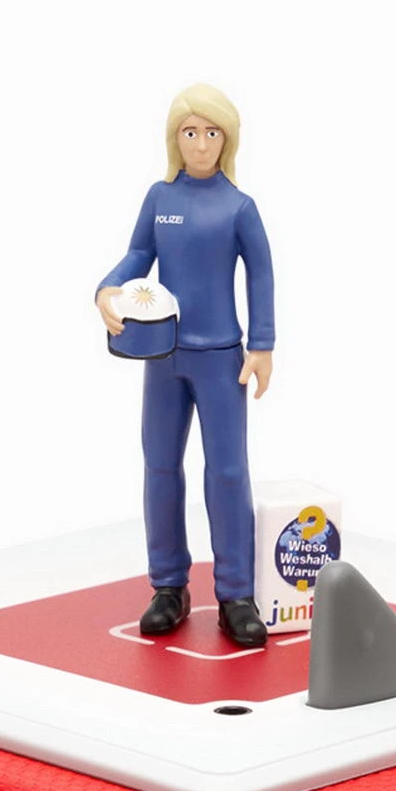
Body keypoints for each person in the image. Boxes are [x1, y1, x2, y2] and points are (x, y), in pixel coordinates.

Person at [95, 83, 274, 647]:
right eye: (190, 132)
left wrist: (263, 344)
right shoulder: (160, 198)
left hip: (221, 359)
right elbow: (138, 254)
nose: (200, 143)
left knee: (227, 472)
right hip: (164, 354)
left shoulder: (239, 207)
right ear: (175, 138)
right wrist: (107, 287)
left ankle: (236, 594)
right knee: (160, 467)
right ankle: (168, 586)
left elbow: (261, 274)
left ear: (228, 140)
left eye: (211, 132)